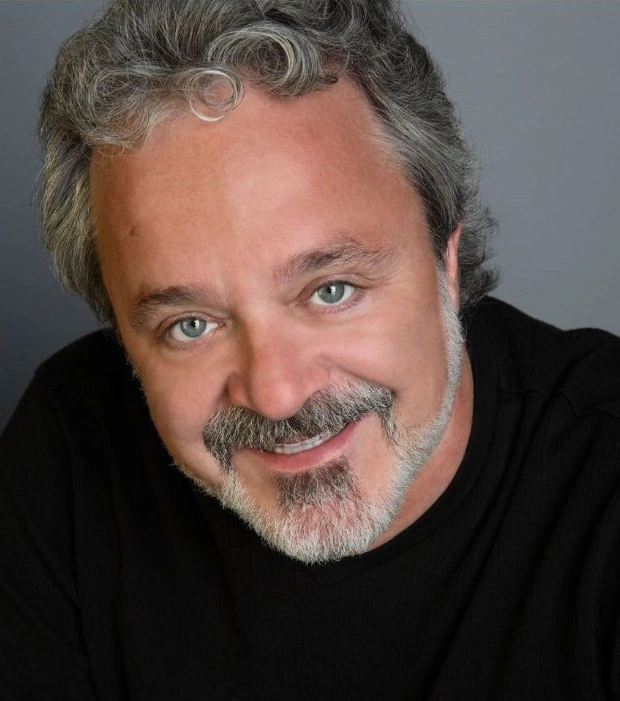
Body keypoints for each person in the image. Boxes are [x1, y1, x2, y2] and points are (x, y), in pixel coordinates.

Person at [1, 0, 618, 698]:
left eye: (331, 290)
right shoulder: (65, 455)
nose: (276, 394)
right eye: (191, 325)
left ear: (445, 260)